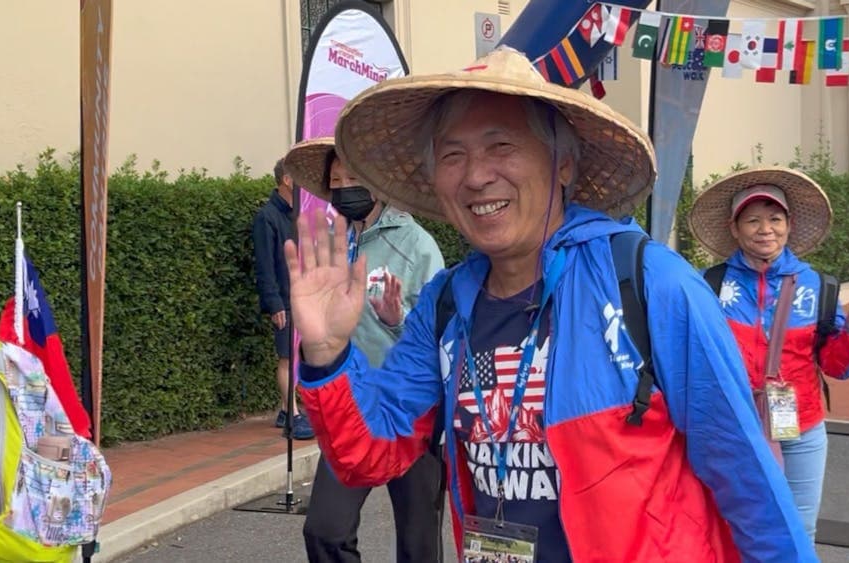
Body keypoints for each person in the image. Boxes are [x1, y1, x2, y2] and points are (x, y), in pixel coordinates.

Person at [287, 47, 816, 562]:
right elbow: (372, 453)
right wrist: (328, 354)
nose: (475, 175)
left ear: (562, 165)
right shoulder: (444, 304)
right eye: (452, 155)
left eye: (501, 146)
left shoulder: (651, 282)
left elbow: (746, 475)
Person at [687, 167, 849, 542]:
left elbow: (836, 366)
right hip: (732, 428)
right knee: (732, 528)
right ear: (734, 228)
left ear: (789, 225)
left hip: (801, 428)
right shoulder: (708, 285)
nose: (765, 229)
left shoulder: (819, 287)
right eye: (752, 220)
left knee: (799, 530)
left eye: (775, 219)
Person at [283, 138, 446, 562]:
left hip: (410, 410)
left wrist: (397, 318)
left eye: (353, 177)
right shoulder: (332, 246)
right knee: (325, 530)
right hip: (350, 407)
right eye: (336, 181)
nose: (344, 187)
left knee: (419, 544)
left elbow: (441, 336)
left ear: (377, 182)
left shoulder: (416, 245)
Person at [250, 158, 313, 440]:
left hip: (302, 296)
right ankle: (292, 416)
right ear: (287, 180)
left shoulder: (297, 215)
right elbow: (264, 265)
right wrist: (274, 303)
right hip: (284, 300)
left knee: (299, 356)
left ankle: (286, 409)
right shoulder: (267, 217)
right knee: (287, 357)